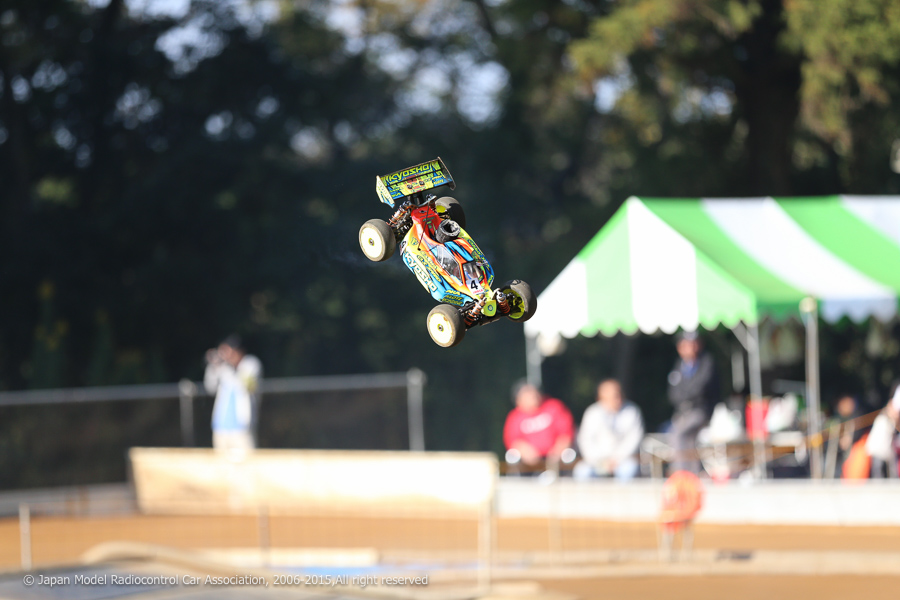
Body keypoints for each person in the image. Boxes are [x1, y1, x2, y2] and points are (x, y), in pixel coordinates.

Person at [667, 331, 719, 473]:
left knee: (679, 434)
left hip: (700, 411)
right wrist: (685, 396)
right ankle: (688, 472)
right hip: (682, 412)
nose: (689, 348)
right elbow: (673, 393)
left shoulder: (706, 363)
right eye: (685, 345)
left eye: (692, 344)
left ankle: (683, 473)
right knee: (682, 436)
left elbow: (700, 389)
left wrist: (685, 395)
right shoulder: (679, 366)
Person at [204, 335, 263, 456]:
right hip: (221, 427)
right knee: (221, 463)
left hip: (242, 427)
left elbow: (246, 384)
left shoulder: (250, 363)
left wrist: (230, 365)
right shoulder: (223, 368)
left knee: (247, 462)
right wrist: (214, 366)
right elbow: (210, 387)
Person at [574, 379, 644, 481]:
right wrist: (600, 461)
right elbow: (585, 440)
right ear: (601, 397)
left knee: (629, 469)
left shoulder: (632, 411)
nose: (617, 399)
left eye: (618, 395)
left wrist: (616, 459)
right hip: (596, 461)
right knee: (582, 471)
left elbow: (634, 439)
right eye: (612, 396)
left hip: (623, 460)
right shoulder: (592, 413)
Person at [503, 381, 574, 468]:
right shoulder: (515, 417)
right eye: (527, 393)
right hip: (528, 465)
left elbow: (566, 433)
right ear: (518, 400)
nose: (532, 395)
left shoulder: (553, 407)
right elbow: (512, 440)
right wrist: (525, 451)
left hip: (558, 460)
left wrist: (557, 452)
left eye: (533, 391)